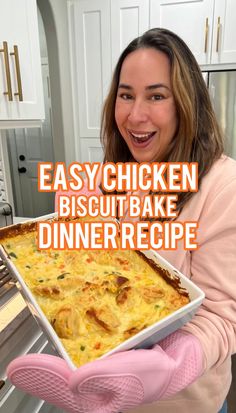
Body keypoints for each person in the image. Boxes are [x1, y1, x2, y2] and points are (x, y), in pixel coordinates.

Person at [7, 28, 236, 413]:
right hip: (104, 392)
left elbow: (222, 316)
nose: (135, 114)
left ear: (187, 103)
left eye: (157, 96)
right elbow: (98, 275)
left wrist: (174, 364)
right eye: (125, 94)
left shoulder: (222, 185)